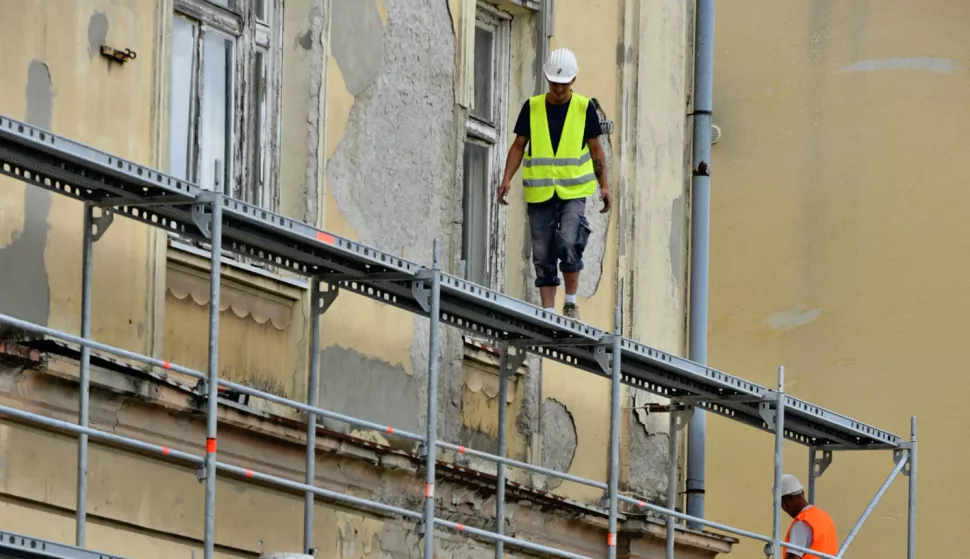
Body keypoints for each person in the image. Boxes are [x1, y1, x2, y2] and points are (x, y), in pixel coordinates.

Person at [496, 47, 611, 320]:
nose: (559, 89)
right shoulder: (533, 107)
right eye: (555, 83)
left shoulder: (584, 108)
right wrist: (506, 178)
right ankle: (548, 311)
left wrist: (604, 186)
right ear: (548, 79)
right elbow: (519, 145)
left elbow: (596, 150)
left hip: (573, 191)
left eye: (564, 83)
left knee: (570, 240)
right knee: (543, 250)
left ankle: (570, 303)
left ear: (573, 80)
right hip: (541, 191)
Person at [765, 474, 838, 559]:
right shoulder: (824, 517)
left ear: (785, 502)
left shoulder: (801, 522)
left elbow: (794, 557)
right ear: (803, 493)